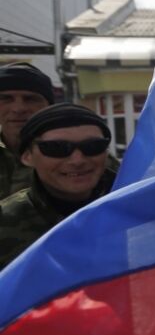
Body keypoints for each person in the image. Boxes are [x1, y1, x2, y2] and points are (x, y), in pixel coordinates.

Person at [0, 103, 116, 269]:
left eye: (93, 147)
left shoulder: (137, 211)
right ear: (27, 156)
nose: (78, 160)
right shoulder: (5, 222)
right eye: (56, 148)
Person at [0, 62, 56, 199]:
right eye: (6, 99)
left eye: (31, 99)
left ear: (48, 106)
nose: (18, 109)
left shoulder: (78, 151)